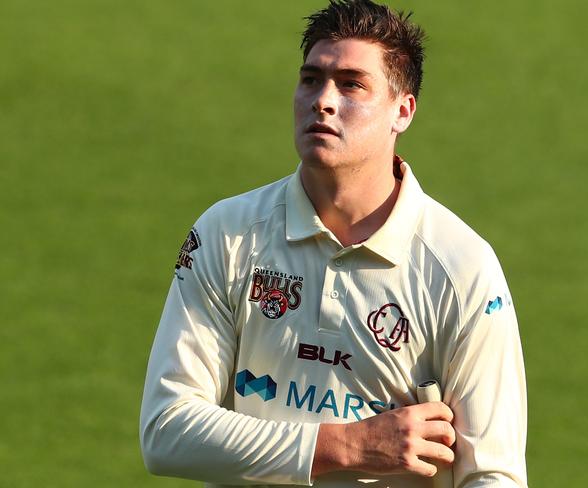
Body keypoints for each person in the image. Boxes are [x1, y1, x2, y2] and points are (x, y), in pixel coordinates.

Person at [139, 1, 528, 487]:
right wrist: (348, 445)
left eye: (351, 84)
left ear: (402, 112)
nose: (323, 99)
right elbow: (167, 427)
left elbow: (492, 474)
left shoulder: (461, 267)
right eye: (311, 79)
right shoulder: (228, 234)